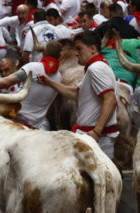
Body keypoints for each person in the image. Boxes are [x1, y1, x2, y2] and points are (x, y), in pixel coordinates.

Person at [38, 30, 118, 158]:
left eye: (79, 49)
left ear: (93, 49)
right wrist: (50, 83)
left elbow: (110, 99)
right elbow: (77, 94)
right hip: (90, 136)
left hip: (94, 137)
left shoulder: (96, 68)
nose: (76, 53)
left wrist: (97, 131)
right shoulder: (95, 67)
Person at [0, 40, 62, 129]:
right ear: (60, 56)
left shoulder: (32, 67)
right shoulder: (59, 77)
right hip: (37, 127)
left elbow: (6, 82)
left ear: (44, 52)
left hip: (17, 122)